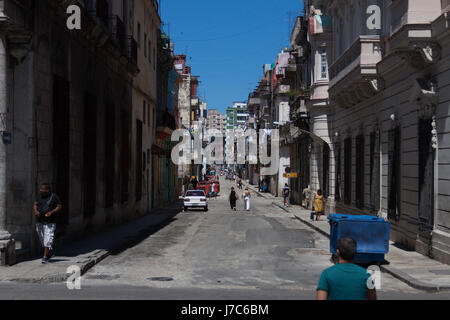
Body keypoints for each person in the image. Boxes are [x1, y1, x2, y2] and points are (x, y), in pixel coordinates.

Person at [33, 183, 62, 264]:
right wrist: (36, 211)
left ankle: (45, 257)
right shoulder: (39, 196)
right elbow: (35, 204)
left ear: (47, 190)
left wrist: (51, 212)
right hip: (40, 221)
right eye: (40, 189)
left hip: (50, 222)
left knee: (48, 239)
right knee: (42, 239)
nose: (40, 191)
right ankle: (50, 251)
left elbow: (59, 206)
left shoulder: (54, 197)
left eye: (42, 189)